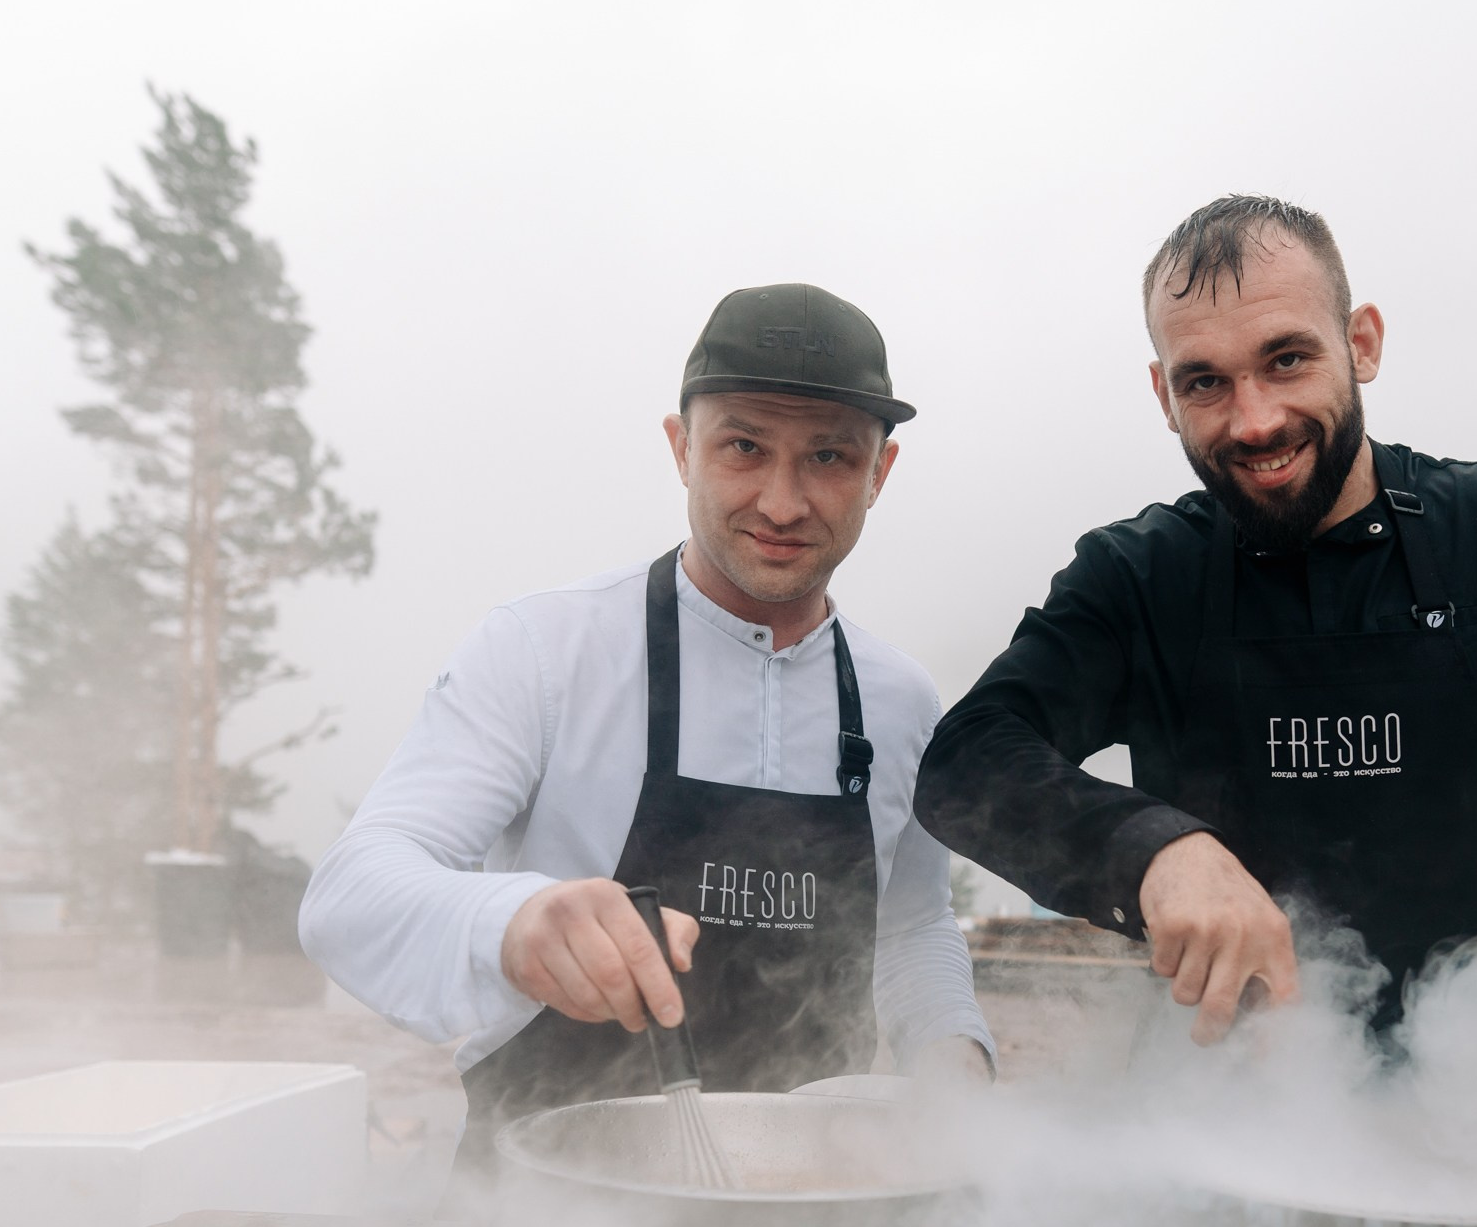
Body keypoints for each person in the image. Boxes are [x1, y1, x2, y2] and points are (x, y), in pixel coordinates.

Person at [915, 196, 1477, 1045]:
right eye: (1205, 384)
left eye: (1287, 358)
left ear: (1361, 343)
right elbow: (967, 760)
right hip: (1231, 1103)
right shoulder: (1137, 576)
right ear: (1164, 397)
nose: (1255, 419)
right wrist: (1154, 853)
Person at [304, 283, 992, 1172]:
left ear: (880, 473)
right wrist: (518, 923)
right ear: (682, 449)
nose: (782, 502)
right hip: (545, 1224)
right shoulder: (545, 651)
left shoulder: (900, 701)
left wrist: (955, 1065)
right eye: (744, 446)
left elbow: (910, 929)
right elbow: (350, 897)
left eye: (828, 456)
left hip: (817, 1214)